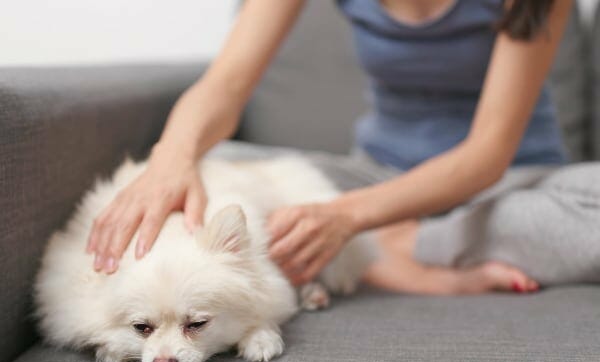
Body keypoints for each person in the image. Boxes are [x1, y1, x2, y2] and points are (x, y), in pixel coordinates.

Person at [86, 0, 600, 295]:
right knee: (221, 167)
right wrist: (172, 158)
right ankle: (403, 247)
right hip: (375, 177)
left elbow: (486, 153)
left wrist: (349, 220)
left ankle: (393, 248)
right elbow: (225, 86)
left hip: (506, 182)